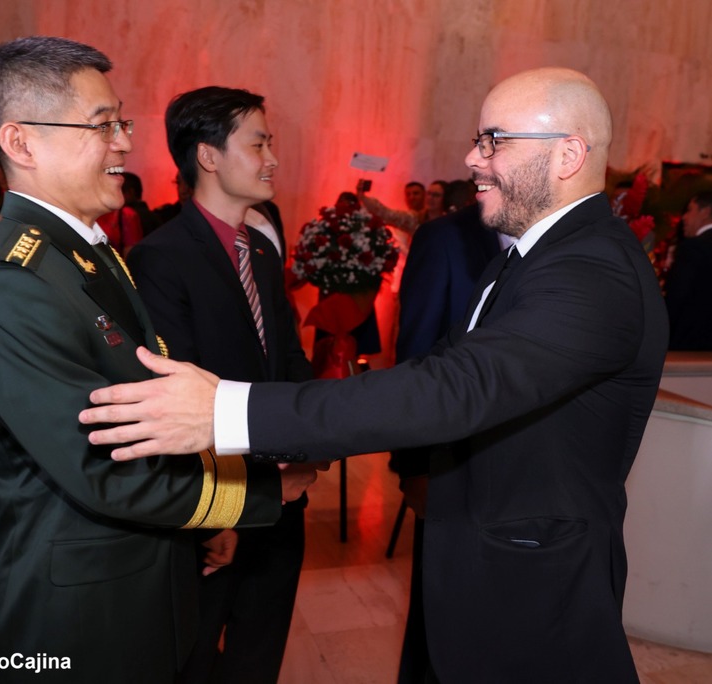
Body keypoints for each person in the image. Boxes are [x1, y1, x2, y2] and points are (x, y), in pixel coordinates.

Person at [80, 67, 669, 683]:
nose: (473, 158)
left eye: (494, 141)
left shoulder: (592, 268)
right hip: (481, 565)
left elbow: (456, 388)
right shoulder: (532, 257)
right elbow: (437, 371)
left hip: (533, 586)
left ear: (568, 154)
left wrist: (230, 411)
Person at [0, 36, 318, 683]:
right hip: (80, 611)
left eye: (120, 123)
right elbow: (101, 465)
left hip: (139, 575)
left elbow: (150, 405)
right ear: (21, 143)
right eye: (103, 126)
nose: (124, 143)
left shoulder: (81, 253)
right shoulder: (13, 282)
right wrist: (257, 491)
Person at [127, 86, 314, 684]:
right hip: (215, 507)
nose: (272, 159)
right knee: (195, 655)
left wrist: (304, 455)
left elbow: (287, 358)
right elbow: (177, 395)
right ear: (207, 156)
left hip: (281, 496)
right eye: (258, 144)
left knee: (260, 651)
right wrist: (220, 517)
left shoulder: (259, 250)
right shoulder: (160, 258)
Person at [389, 192, 502, 683]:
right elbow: (417, 359)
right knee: (438, 625)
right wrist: (414, 467)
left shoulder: (561, 241)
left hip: (526, 476)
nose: (479, 159)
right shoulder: (444, 239)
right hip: (451, 467)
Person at [663, 190, 712, 349]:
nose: (684, 217)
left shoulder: (694, 247)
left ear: (705, 212)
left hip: (692, 343)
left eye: (690, 210)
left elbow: (677, 296)